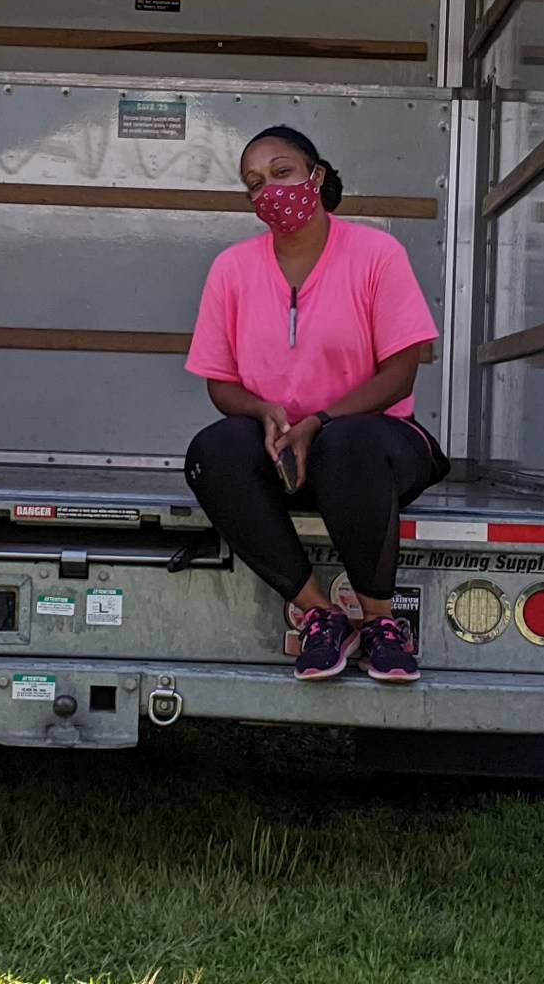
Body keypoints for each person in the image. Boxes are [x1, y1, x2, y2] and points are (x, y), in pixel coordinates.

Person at [183, 126, 448, 683]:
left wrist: (320, 422)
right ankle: (320, 614)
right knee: (212, 449)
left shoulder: (377, 254)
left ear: (316, 176)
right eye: (255, 183)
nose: (270, 191)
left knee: (345, 444)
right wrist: (264, 413)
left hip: (373, 448)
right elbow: (219, 383)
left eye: (282, 172)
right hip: (284, 453)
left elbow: (400, 375)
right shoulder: (231, 269)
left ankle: (380, 622)